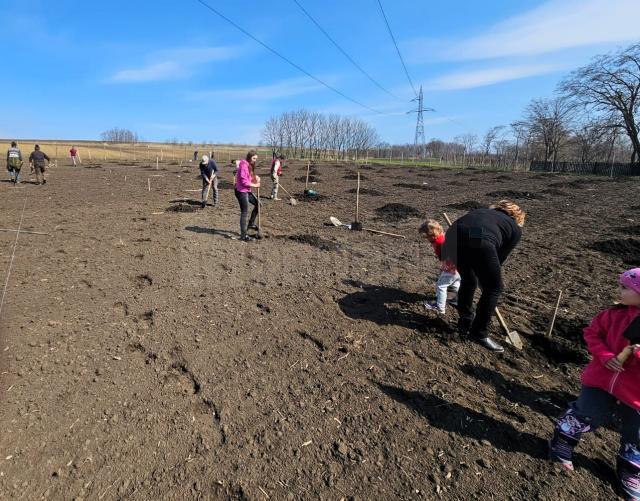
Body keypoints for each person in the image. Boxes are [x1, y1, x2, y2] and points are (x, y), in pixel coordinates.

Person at [549, 268, 640, 500]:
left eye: (624, 288)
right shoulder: (612, 315)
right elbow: (592, 334)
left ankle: (632, 470)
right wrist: (605, 356)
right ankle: (563, 441)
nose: (618, 290)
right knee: (587, 412)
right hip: (600, 379)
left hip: (635, 390)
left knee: (636, 431)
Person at [442, 200, 525, 352]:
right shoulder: (515, 229)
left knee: (469, 280)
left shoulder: (484, 213)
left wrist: (481, 270)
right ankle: (479, 333)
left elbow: (474, 239)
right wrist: (486, 275)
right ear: (517, 217)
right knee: (494, 288)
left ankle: (465, 321)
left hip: (452, 237)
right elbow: (498, 258)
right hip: (477, 239)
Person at [419, 219, 460, 314]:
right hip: (460, 265)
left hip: (451, 267)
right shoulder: (444, 235)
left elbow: (442, 256)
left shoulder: (438, 242)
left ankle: (440, 307)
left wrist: (444, 265)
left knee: (441, 285)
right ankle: (456, 299)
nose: (427, 240)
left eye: (427, 238)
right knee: (455, 282)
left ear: (431, 235)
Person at [234, 150, 260, 241]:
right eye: (253, 158)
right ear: (249, 157)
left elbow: (249, 177)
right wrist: (255, 185)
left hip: (246, 190)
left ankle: (251, 223)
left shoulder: (249, 165)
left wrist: (255, 178)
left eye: (256, 159)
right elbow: (245, 182)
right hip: (241, 191)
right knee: (244, 212)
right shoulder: (244, 166)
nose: (255, 160)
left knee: (258, 205)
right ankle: (243, 236)